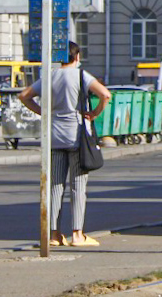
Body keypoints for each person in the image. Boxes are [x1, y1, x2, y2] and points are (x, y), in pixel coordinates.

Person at [20, 42, 112, 248]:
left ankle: (54, 234)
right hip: (76, 137)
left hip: (54, 137)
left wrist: (44, 112)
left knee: (55, 186)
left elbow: (24, 96)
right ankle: (77, 235)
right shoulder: (81, 76)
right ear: (77, 57)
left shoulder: (49, 77)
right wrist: (94, 113)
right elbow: (105, 95)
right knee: (78, 187)